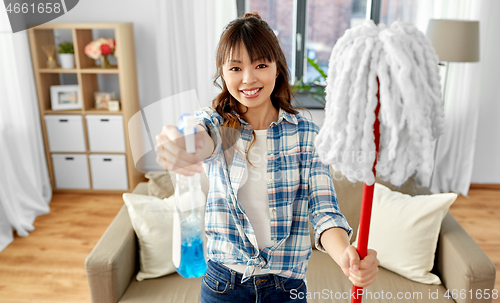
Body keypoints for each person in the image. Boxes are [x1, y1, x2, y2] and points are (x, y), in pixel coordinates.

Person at [155, 12, 379, 303]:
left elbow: (324, 212)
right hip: (224, 286)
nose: (248, 78)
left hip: (287, 289)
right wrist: (177, 146)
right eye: (236, 68)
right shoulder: (216, 124)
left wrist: (345, 256)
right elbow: (198, 141)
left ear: (277, 69)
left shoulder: (307, 135)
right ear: (223, 73)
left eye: (260, 64)